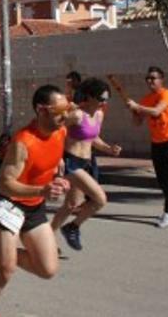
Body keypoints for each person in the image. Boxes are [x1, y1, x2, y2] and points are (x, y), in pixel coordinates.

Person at [0, 85, 71, 317]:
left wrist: (60, 180)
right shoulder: (23, 142)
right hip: (9, 205)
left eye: (67, 108)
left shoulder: (60, 131)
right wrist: (43, 190)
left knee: (48, 269)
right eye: (60, 109)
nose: (65, 114)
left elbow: (51, 163)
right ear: (41, 110)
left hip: (34, 205)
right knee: (5, 271)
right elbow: (4, 184)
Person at [50, 78, 121, 250]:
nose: (104, 102)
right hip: (70, 162)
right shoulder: (76, 115)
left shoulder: (99, 114)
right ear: (89, 97)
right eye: (101, 99)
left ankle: (47, 239)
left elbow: (93, 138)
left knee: (70, 205)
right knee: (100, 199)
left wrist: (108, 148)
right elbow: (54, 131)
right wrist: (57, 157)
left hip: (85, 163)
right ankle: (72, 227)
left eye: (106, 99)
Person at [127, 66, 168, 228]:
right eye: (148, 78)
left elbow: (156, 111)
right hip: (156, 142)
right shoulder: (146, 99)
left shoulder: (167, 95)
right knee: (162, 179)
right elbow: (137, 123)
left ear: (161, 80)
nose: (150, 81)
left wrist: (138, 107)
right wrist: (134, 111)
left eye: (153, 78)